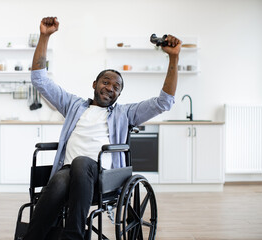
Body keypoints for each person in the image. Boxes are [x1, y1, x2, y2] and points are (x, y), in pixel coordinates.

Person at [25, 16, 181, 240]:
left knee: (80, 163)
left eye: (116, 87)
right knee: (59, 179)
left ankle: (73, 236)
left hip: (103, 178)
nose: (110, 88)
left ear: (119, 94)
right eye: (106, 82)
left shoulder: (124, 113)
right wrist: (44, 36)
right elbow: (40, 80)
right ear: (94, 85)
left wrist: (173, 59)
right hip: (69, 173)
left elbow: (163, 102)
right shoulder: (73, 105)